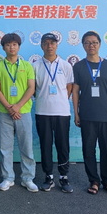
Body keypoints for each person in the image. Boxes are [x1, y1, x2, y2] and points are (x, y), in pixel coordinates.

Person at [72, 31, 107, 196]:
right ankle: (93, 181)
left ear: (99, 44)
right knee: (88, 149)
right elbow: (75, 91)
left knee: (106, 149)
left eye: (94, 42)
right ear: (83, 45)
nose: (91, 45)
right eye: (87, 42)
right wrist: (76, 113)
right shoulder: (79, 66)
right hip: (87, 115)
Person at [0, 33, 37, 192]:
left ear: (19, 46)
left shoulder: (27, 66)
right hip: (5, 113)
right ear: (3, 47)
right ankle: (8, 178)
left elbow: (31, 88)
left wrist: (18, 106)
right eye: (8, 45)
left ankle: (28, 178)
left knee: (26, 147)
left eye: (14, 44)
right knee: (5, 148)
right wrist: (10, 108)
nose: (11, 47)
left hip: (23, 112)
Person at [33, 33, 74, 193]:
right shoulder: (35, 66)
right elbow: (33, 89)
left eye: (52, 43)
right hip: (42, 111)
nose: (49, 46)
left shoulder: (66, 65)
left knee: (63, 145)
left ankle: (63, 176)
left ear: (57, 45)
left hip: (62, 112)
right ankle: (48, 176)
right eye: (46, 43)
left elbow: (69, 87)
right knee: (45, 145)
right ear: (41, 46)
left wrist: (60, 99)